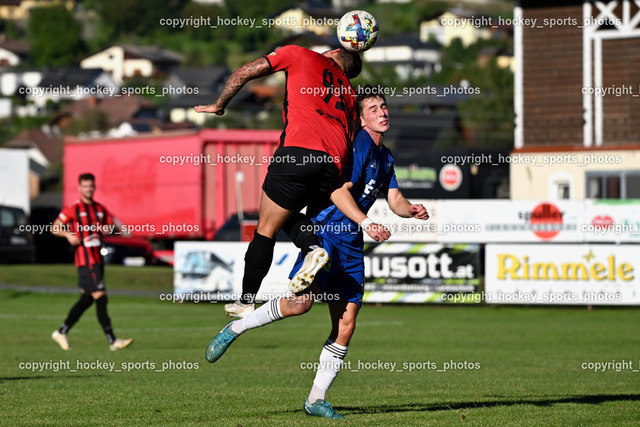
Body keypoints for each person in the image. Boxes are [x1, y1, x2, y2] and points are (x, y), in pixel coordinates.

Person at [204, 86, 429, 419]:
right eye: (373, 109)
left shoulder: (386, 157)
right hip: (326, 232)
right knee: (300, 303)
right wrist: (367, 222)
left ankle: (316, 400)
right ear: (360, 118)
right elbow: (338, 191)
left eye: (384, 106)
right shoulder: (358, 145)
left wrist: (411, 210)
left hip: (351, 243)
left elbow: (394, 200)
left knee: (346, 324)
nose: (382, 112)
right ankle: (236, 328)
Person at [195, 45, 362, 319]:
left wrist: (219, 104)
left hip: (298, 154)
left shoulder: (300, 54)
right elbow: (351, 136)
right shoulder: (350, 94)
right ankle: (312, 248)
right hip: (333, 166)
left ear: (333, 50)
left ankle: (246, 301)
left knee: (265, 229)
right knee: (287, 214)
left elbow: (245, 72)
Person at [50, 173, 133, 351]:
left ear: (94, 187)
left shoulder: (100, 209)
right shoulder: (73, 209)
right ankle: (113, 341)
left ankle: (61, 332)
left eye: (91, 186)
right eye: (85, 186)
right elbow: (54, 228)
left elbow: (110, 226)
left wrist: (109, 228)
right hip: (85, 261)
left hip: (98, 259)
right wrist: (68, 235)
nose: (89, 189)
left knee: (87, 299)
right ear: (80, 188)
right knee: (101, 296)